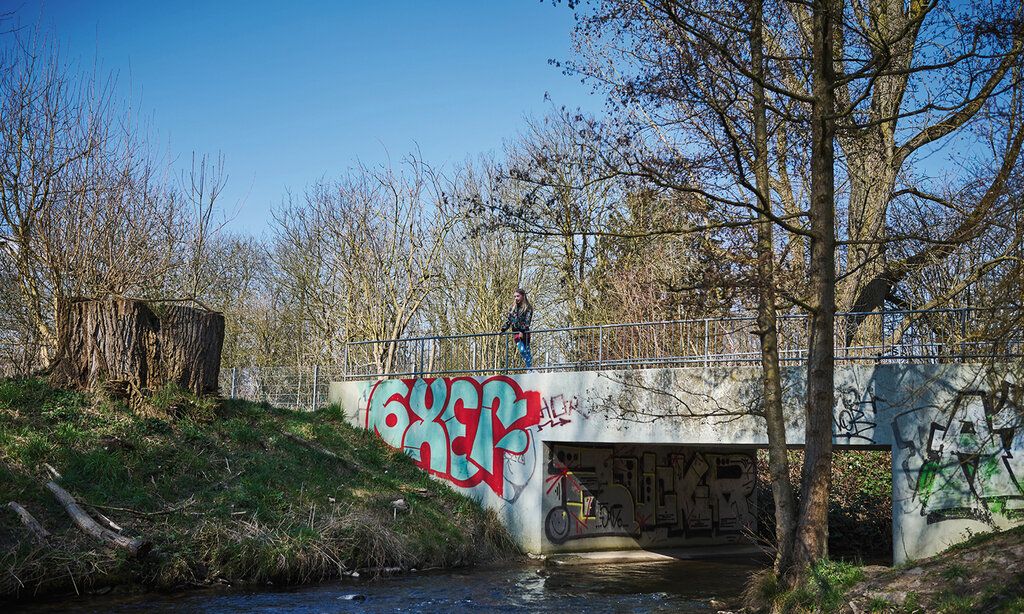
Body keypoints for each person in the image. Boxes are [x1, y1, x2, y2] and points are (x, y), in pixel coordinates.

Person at [501, 288, 534, 370]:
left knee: (527, 350)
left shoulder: (528, 308)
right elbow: (509, 320)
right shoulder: (512, 308)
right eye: (515, 296)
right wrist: (503, 329)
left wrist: (522, 331)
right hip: (516, 332)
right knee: (522, 350)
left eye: (518, 296)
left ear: (523, 296)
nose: (516, 298)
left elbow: (527, 321)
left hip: (525, 332)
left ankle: (530, 369)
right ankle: (530, 368)